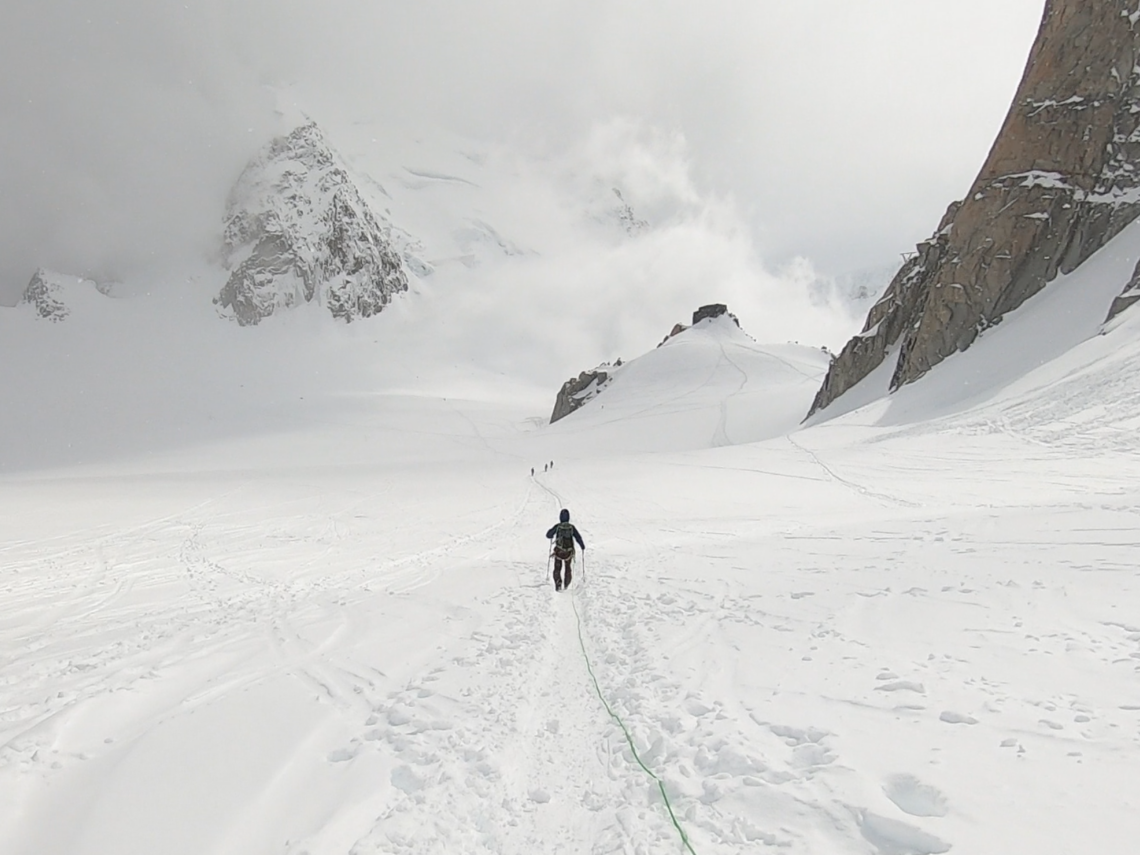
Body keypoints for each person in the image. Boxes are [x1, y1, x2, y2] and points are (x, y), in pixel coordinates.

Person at [546, 508, 585, 591]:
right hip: (569, 552)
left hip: (559, 551)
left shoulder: (558, 527)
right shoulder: (571, 527)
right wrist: (582, 546)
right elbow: (578, 537)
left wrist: (551, 535)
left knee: (557, 568)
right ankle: (566, 584)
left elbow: (548, 535)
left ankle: (558, 584)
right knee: (568, 567)